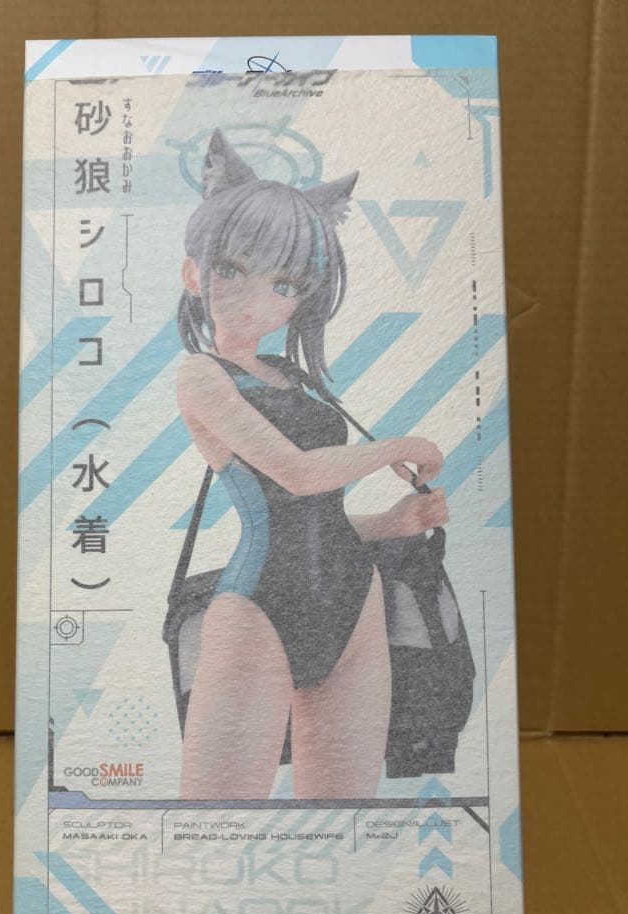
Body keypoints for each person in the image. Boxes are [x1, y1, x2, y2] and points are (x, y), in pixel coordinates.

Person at [175, 128, 448, 800]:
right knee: (213, 826)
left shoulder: (295, 377)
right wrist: (401, 447)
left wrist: (393, 522)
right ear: (194, 273)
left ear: (301, 297)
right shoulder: (202, 375)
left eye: (283, 283)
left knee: (343, 822)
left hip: (356, 607)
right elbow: (295, 473)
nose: (255, 297)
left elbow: (315, 515)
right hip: (258, 610)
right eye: (231, 269)